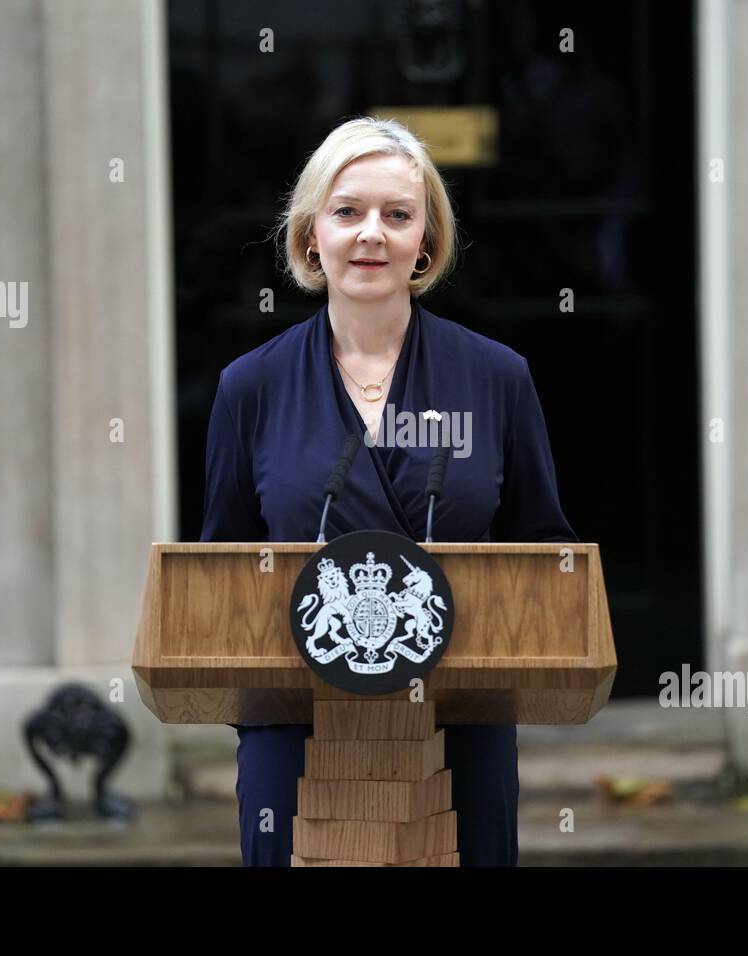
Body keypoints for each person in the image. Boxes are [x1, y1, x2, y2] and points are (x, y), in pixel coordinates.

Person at [200, 116, 576, 866]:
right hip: (296, 728)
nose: (371, 233)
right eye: (347, 212)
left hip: (460, 723)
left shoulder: (498, 378)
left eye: (397, 215)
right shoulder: (250, 388)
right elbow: (224, 579)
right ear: (312, 236)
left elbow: (548, 555)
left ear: (425, 242)